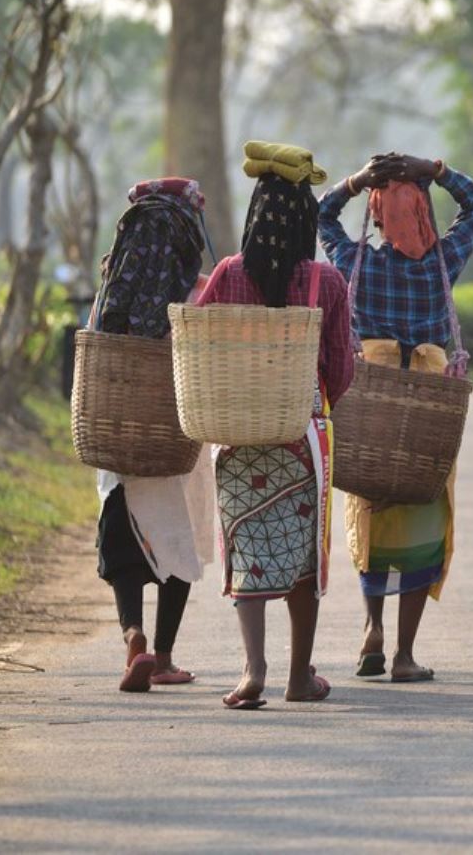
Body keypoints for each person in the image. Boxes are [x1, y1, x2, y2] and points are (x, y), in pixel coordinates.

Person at [319, 152, 473, 682]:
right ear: (423, 216)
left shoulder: (356, 263)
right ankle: (404, 654)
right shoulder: (446, 260)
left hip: (373, 401)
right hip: (427, 401)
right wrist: (435, 171)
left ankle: (372, 627)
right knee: (423, 507)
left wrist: (354, 183)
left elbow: (321, 217)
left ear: (375, 216)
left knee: (372, 508)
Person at [201, 158, 353, 709]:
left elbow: (197, 343)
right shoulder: (326, 281)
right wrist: (317, 395)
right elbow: (340, 368)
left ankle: (252, 670)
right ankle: (298, 675)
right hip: (300, 436)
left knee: (250, 547)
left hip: (238, 435)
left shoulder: (226, 275)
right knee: (303, 557)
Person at [92, 177, 215, 693]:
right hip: (174, 437)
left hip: (117, 432)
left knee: (123, 536)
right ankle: (163, 656)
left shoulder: (107, 300)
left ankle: (133, 636)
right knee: (178, 538)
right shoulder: (196, 291)